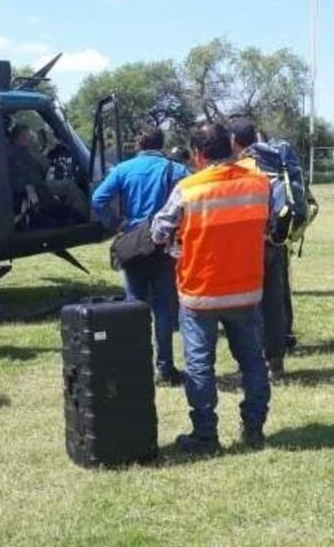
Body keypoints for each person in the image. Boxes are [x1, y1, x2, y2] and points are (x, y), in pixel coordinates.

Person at [152, 121, 271, 454]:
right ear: (233, 144)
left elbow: (160, 231)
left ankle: (206, 436)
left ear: (198, 154)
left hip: (200, 292)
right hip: (246, 290)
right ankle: (255, 428)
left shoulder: (190, 188)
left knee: (200, 365)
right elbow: (268, 223)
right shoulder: (259, 183)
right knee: (252, 362)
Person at [91, 126, 189, 386]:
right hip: (163, 243)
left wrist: (116, 223)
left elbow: (98, 199)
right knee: (164, 308)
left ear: (138, 143)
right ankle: (165, 368)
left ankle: (135, 365)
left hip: (133, 241)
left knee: (133, 307)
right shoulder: (176, 170)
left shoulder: (123, 169)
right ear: (162, 143)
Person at [229, 116, 290, 380]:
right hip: (276, 242)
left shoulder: (239, 169)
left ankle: (253, 365)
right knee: (274, 303)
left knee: (247, 307)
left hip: (250, 245)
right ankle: (275, 361)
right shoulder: (274, 164)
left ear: (234, 141)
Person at [7, 123, 89, 221]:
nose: (29, 139)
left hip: (29, 187)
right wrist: (48, 150)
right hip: (34, 188)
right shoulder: (21, 151)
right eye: (27, 136)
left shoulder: (12, 150)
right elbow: (44, 165)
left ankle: (68, 216)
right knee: (69, 186)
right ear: (22, 137)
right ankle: (85, 218)